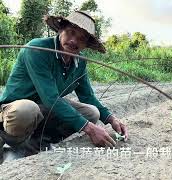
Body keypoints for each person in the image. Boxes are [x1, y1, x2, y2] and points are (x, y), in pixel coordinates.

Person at [0, 11, 128, 159]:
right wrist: (90, 129)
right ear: (60, 30)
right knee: (27, 110)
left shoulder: (79, 62)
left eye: (81, 38)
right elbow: (50, 98)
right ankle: (9, 140)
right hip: (14, 110)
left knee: (92, 113)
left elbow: (87, 96)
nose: (74, 41)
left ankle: (38, 142)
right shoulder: (37, 49)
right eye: (70, 32)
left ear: (86, 45)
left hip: (44, 109)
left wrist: (111, 119)